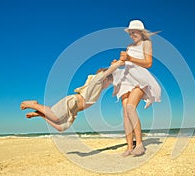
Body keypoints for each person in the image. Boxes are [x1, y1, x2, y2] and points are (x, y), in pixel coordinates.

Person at [20, 60, 124, 132]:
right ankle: (34, 104)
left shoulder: (99, 88)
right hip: (72, 102)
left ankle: (40, 114)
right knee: (55, 116)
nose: (109, 85)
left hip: (75, 109)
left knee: (61, 127)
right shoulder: (97, 81)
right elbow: (109, 71)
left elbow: (114, 80)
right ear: (104, 78)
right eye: (109, 82)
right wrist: (119, 62)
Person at [112, 20, 161, 157]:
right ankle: (129, 147)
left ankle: (139, 144)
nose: (132, 34)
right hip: (127, 79)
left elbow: (149, 63)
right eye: (130, 32)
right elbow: (126, 63)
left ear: (141, 32)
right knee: (125, 112)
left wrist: (130, 58)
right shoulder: (129, 46)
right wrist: (118, 63)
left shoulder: (146, 43)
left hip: (140, 79)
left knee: (130, 108)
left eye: (134, 32)